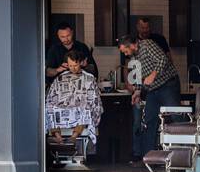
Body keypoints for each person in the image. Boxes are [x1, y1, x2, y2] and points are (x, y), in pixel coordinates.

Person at [118, 33, 179, 162]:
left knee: (175, 116)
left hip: (168, 84)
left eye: (126, 50)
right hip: (153, 90)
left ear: (133, 45)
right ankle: (149, 157)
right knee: (149, 120)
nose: (125, 54)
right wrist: (137, 92)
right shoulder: (134, 57)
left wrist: (153, 74)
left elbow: (163, 59)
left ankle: (182, 153)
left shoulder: (147, 45)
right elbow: (139, 76)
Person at [44, 47, 103, 151]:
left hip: (80, 106)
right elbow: (52, 96)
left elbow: (94, 99)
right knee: (49, 108)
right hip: (64, 106)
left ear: (80, 63)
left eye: (75, 65)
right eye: (70, 65)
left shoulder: (89, 78)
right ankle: (58, 137)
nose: (73, 68)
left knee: (85, 109)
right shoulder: (61, 77)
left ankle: (74, 137)